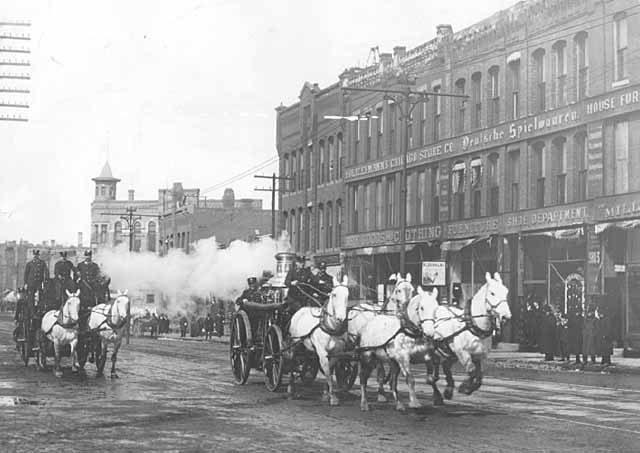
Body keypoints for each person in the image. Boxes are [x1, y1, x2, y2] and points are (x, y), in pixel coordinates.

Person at [23, 249, 49, 328]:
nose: (35, 257)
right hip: (31, 284)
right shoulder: (29, 264)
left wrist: (45, 281)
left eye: (37, 255)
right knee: (30, 298)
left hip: (39, 284)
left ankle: (39, 312)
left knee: (41, 297)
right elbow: (26, 274)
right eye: (34, 255)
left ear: (38, 256)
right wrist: (25, 283)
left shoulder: (42, 263)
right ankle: (32, 313)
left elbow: (46, 272)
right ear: (33, 256)